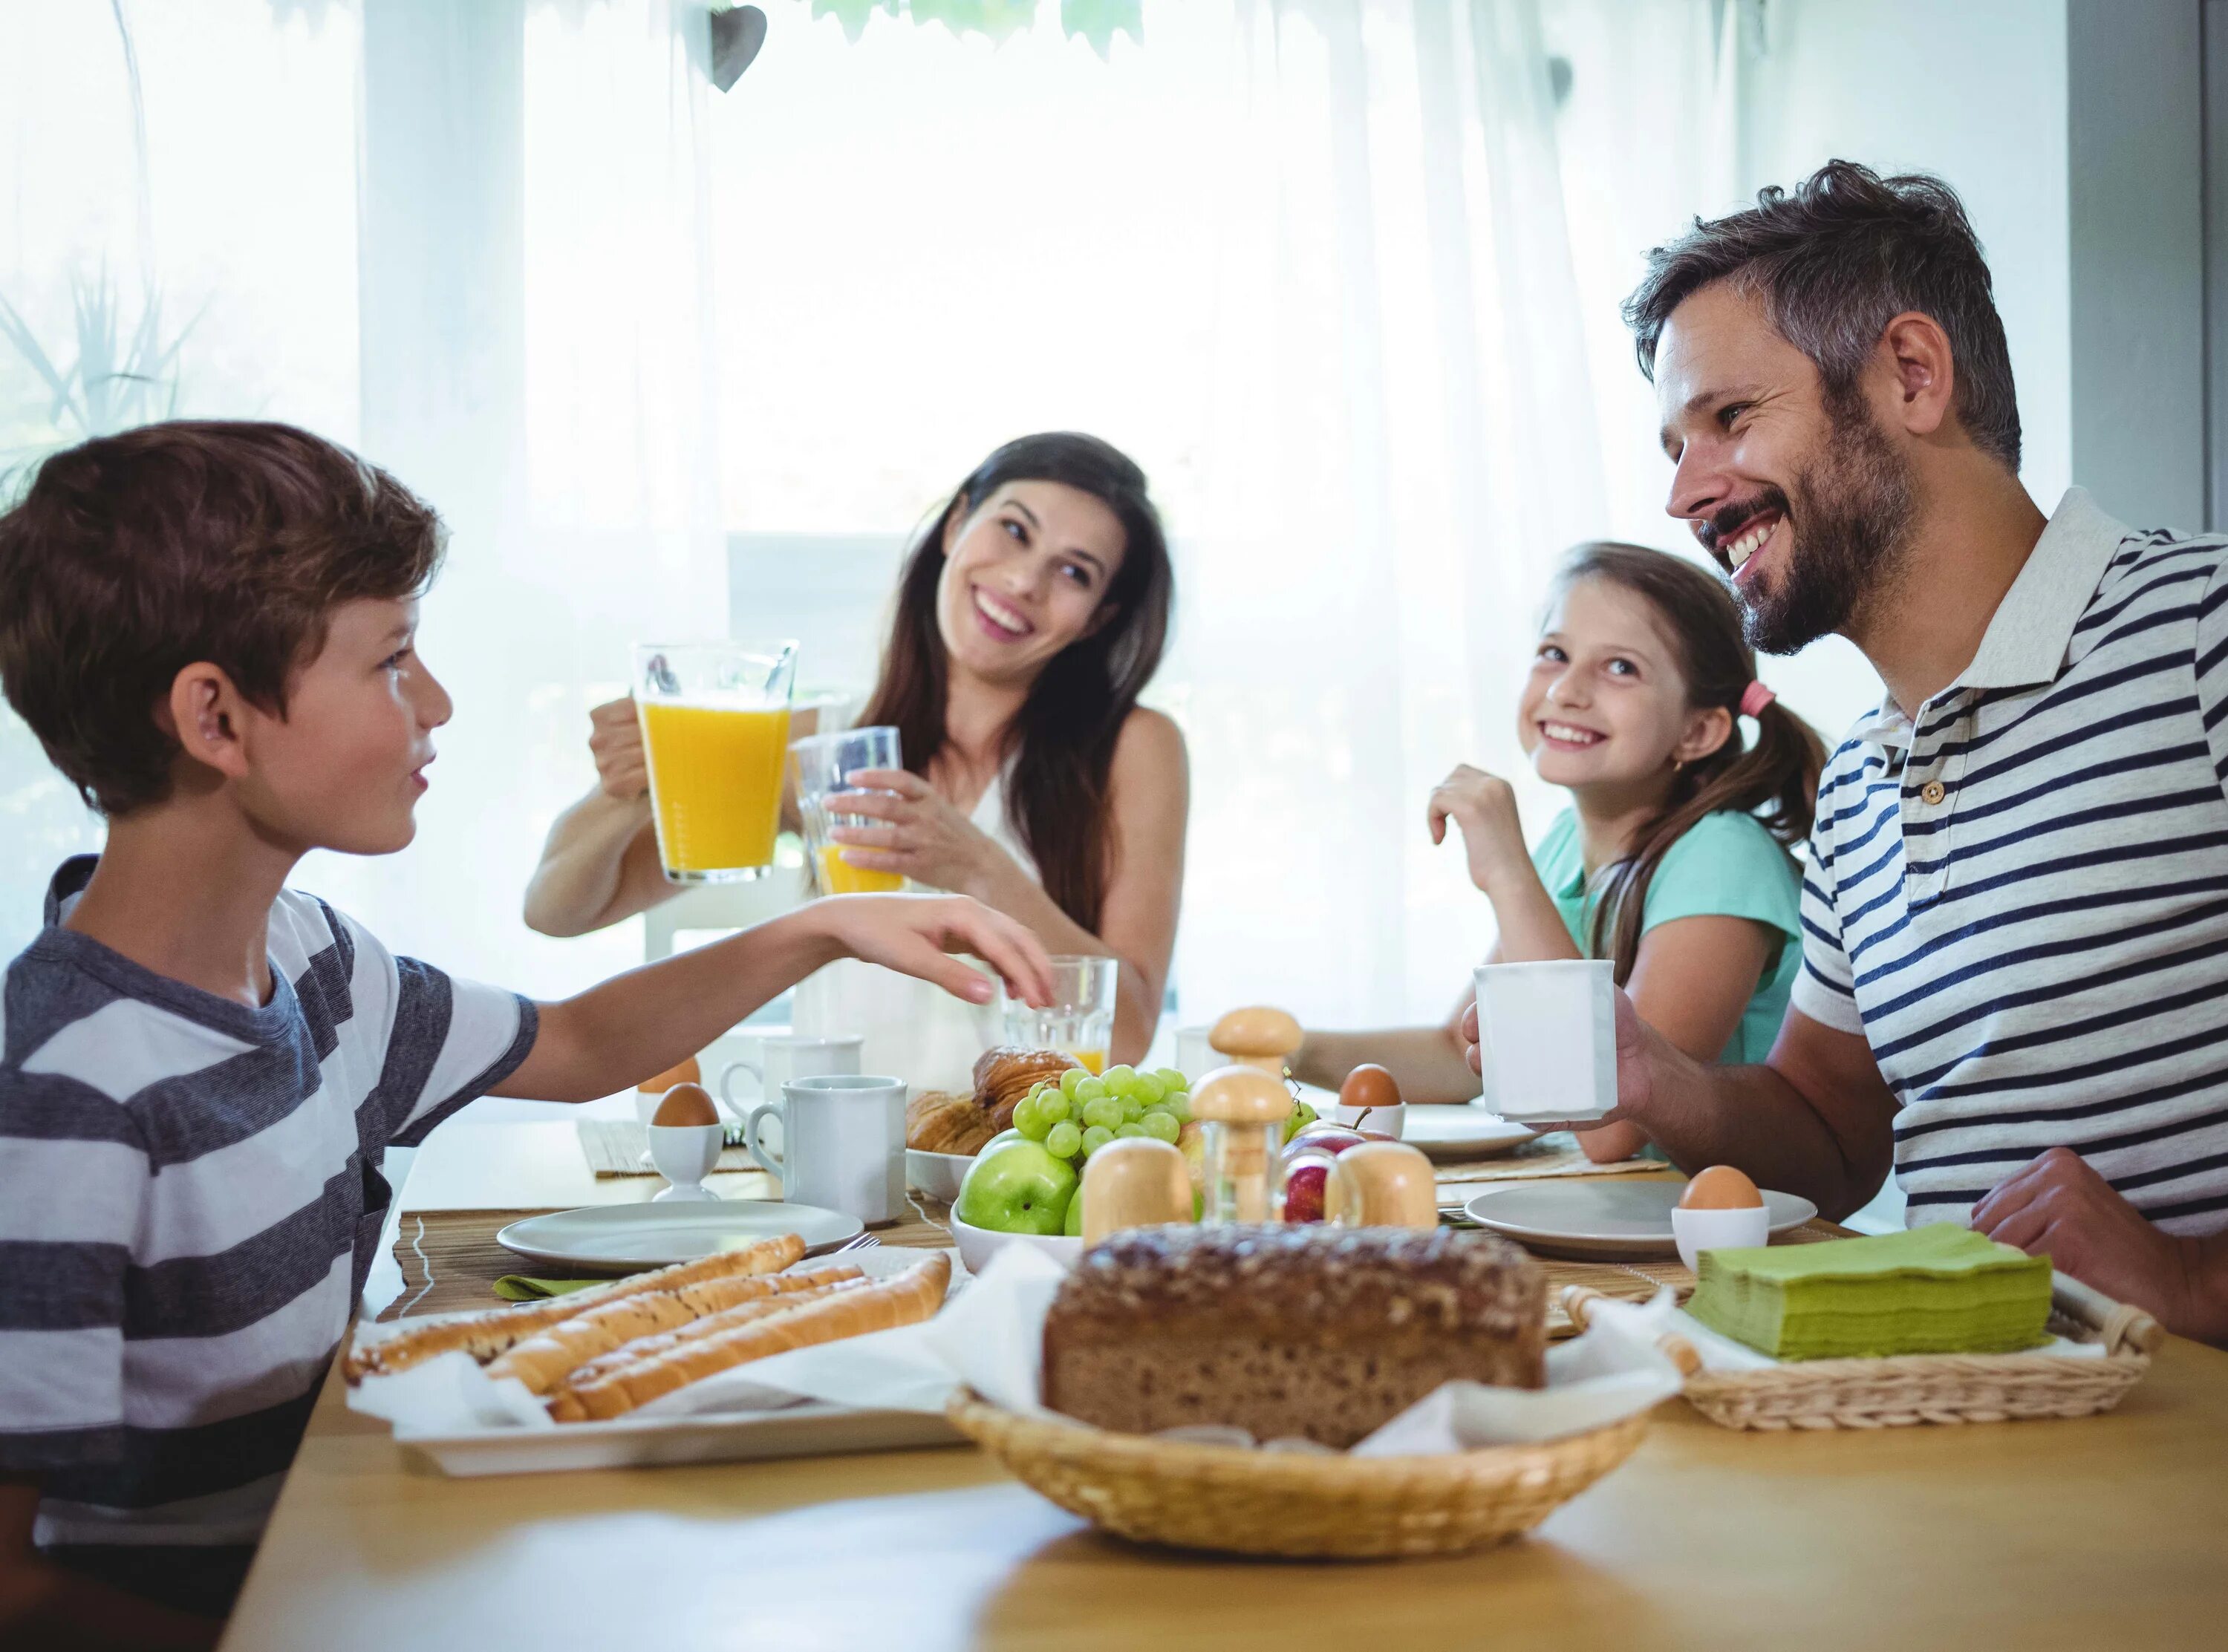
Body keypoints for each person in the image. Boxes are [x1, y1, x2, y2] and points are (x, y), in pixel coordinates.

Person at [0, 422, 1054, 1645]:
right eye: (394, 662)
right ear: (216, 719)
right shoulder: (68, 1091)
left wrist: (823, 926)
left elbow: (572, 1042)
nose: (437, 705)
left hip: (350, 1535)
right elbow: (15, 1593)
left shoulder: (314, 962)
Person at [1458, 160, 2228, 1343]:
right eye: (1675, 441)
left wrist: (2189, 1280)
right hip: (1979, 1410)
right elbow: (1829, 1131)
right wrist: (1661, 1076)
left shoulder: (2202, 630)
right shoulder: (1863, 788)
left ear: (1913, 376)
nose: (1683, 494)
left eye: (1730, 418)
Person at [524, 432, 1188, 1084]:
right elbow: (558, 911)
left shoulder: (1135, 749)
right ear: (957, 524)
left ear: (1100, 617)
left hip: (1021, 1170)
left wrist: (977, 866)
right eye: (1014, 531)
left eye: (1074, 572)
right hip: (834, 1164)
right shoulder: (825, 749)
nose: (1023, 580)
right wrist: (631, 785)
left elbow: (1126, 1034)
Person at [1294, 543, 1823, 1163]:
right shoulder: (1566, 845)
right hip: (1602, 1215)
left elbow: (1611, 1124)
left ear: (1698, 730)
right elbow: (1454, 1055)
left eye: (1620, 667)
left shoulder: (1724, 857)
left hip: (1702, 1239)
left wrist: (1507, 872)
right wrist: (1289, 1048)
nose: (1568, 690)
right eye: (1554, 654)